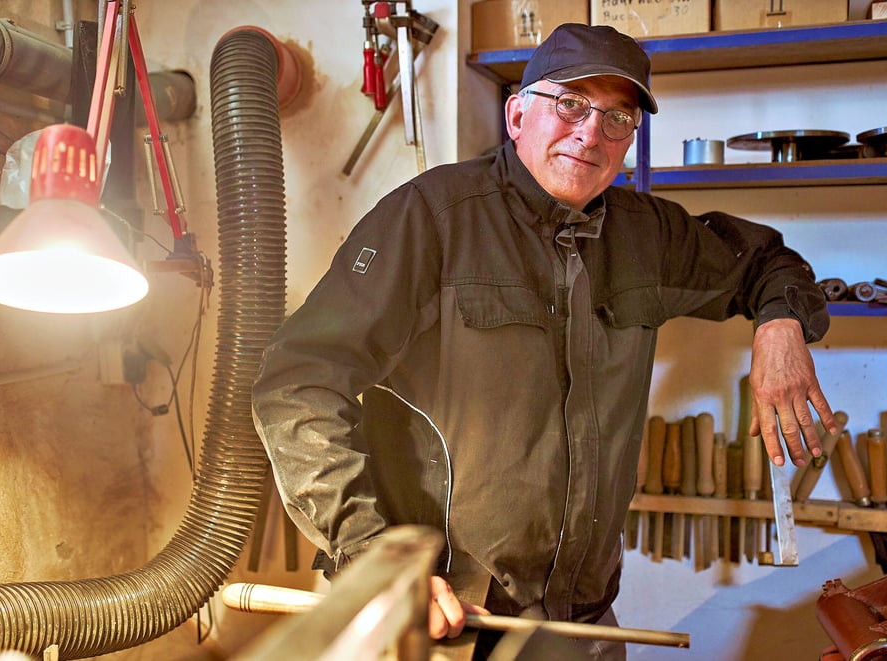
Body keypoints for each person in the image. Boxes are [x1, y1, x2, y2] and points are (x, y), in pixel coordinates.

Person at [251, 23, 837, 659]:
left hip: (577, 624)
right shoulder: (432, 218)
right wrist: (372, 556)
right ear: (516, 114)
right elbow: (296, 383)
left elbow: (769, 263)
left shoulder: (649, 236)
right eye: (570, 104)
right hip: (437, 623)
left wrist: (781, 326)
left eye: (618, 117)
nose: (591, 133)